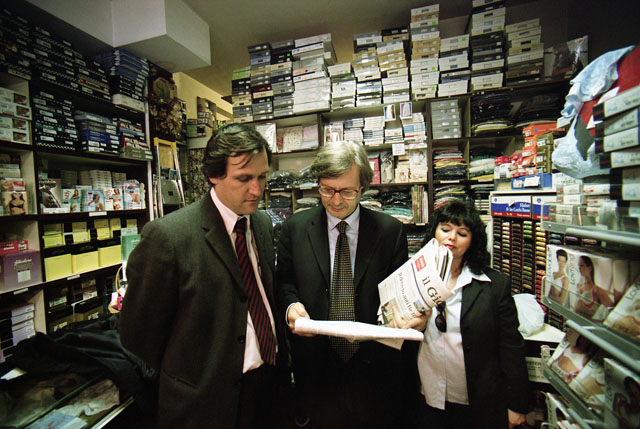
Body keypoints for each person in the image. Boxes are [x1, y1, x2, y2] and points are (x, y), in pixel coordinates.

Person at [119, 123, 289, 428]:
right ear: (214, 175)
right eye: (244, 178)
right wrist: (193, 375)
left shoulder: (261, 224)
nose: (257, 189)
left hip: (267, 389)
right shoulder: (169, 237)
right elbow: (139, 334)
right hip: (207, 403)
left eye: (262, 177)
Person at [276, 140, 413, 428]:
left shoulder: (389, 232)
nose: (336, 200)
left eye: (347, 191)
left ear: (363, 188)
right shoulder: (294, 229)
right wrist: (291, 307)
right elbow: (284, 282)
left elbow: (401, 294)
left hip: (374, 367)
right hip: (315, 366)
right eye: (327, 189)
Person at [409, 198, 529, 429]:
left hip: (478, 402)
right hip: (427, 396)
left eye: (462, 233)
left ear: (473, 241)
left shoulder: (494, 285)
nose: (451, 238)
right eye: (445, 229)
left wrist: (517, 404)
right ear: (434, 233)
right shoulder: (414, 277)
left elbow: (511, 347)